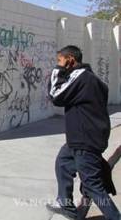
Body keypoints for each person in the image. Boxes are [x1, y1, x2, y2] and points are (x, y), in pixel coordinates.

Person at [46, 45, 120, 220]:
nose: (58, 63)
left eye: (60, 60)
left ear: (70, 60)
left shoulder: (80, 77)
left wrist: (58, 70)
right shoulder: (90, 78)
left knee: (93, 186)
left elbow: (55, 95)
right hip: (81, 137)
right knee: (63, 163)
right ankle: (66, 204)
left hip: (84, 139)